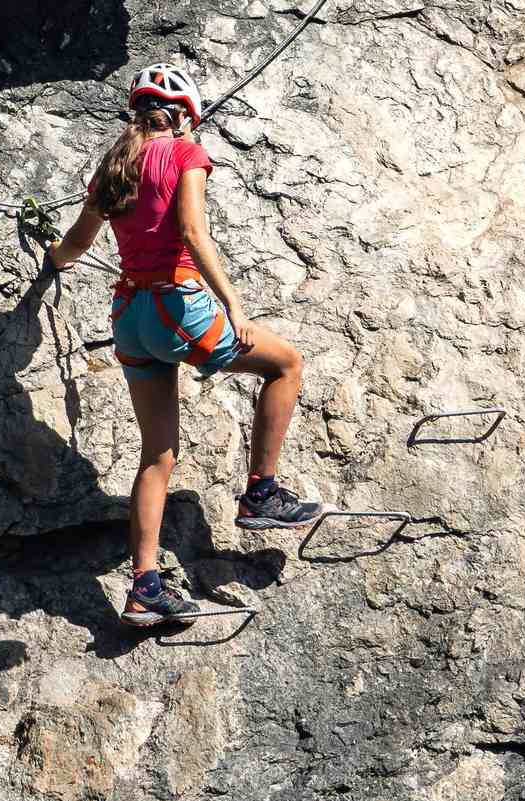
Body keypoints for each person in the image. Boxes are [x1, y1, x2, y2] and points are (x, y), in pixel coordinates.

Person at [46, 63, 322, 627]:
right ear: (185, 117)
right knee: (286, 363)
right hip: (180, 307)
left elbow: (75, 241)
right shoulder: (184, 156)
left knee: (157, 456)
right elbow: (194, 234)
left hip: (130, 318)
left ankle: (144, 586)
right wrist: (232, 305)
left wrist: (49, 258)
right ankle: (261, 494)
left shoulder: (113, 167)